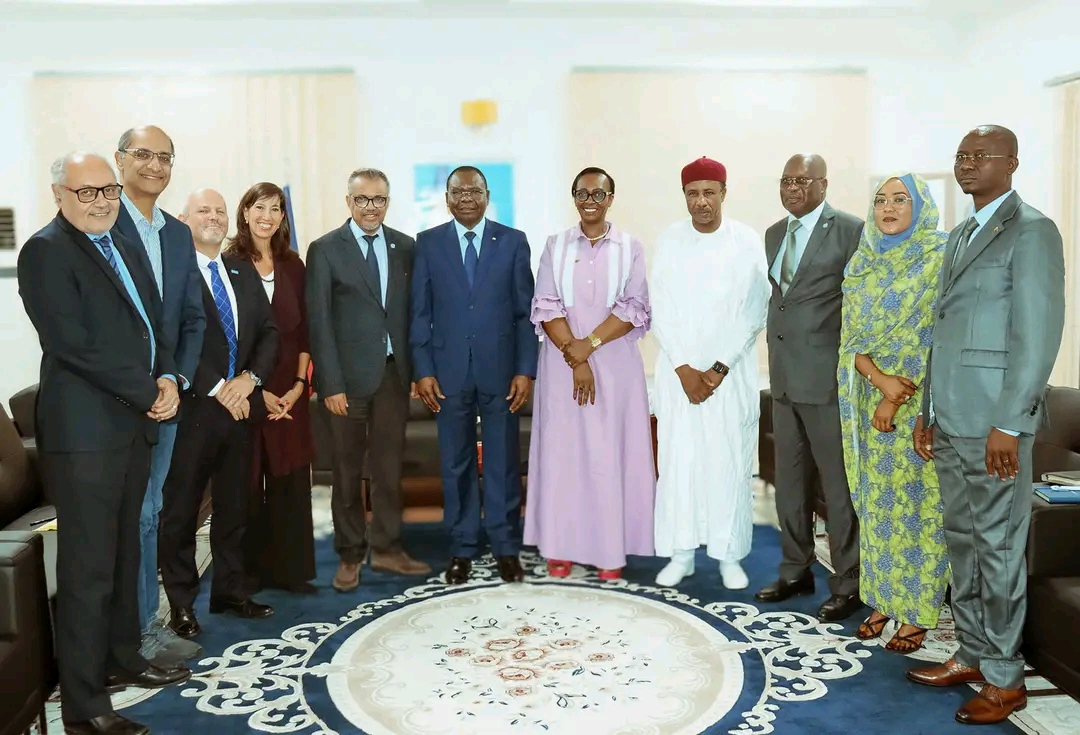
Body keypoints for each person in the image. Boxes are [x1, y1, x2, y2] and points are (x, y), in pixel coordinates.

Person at [18, 152, 190, 735]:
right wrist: (148, 391)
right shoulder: (45, 251)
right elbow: (73, 345)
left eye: (108, 191)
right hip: (86, 436)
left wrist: (169, 378)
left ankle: (121, 659)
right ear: (59, 193)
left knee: (122, 556)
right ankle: (85, 706)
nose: (100, 201)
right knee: (89, 571)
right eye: (86, 192)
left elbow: (154, 324)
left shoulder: (119, 241)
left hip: (133, 426)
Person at [906, 126, 1065, 725]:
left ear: (1013, 164)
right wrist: (928, 413)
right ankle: (972, 653)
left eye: (982, 156)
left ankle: (1005, 677)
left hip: (996, 425)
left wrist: (1010, 422)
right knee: (963, 543)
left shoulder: (1032, 232)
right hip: (951, 418)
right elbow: (942, 334)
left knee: (997, 550)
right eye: (962, 156)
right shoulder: (961, 234)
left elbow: (1037, 334)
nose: (969, 165)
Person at [159, 188, 279, 640]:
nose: (213, 217)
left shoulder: (239, 268)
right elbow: (171, 338)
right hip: (192, 410)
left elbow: (268, 334)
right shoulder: (173, 271)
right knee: (182, 511)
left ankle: (229, 591)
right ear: (183, 218)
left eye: (220, 211)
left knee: (235, 506)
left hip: (242, 408)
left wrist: (249, 380)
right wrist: (217, 387)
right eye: (203, 210)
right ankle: (182, 605)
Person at [524, 167, 655, 580]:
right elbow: (545, 305)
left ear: (611, 198)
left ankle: (610, 551)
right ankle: (560, 547)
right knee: (565, 455)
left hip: (614, 367)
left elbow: (634, 306)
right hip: (564, 367)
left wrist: (590, 347)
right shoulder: (555, 245)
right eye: (582, 193)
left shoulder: (629, 247)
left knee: (608, 454)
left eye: (599, 194)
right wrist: (577, 357)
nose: (590, 201)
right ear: (573, 197)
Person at [410, 165, 538, 585]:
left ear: (487, 196)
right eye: (458, 191)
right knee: (456, 462)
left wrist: (525, 369)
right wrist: (423, 370)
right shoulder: (428, 244)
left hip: (501, 372)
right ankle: (462, 547)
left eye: (475, 191)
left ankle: (505, 548)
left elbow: (525, 314)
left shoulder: (513, 242)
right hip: (447, 374)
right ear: (447, 198)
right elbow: (420, 313)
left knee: (502, 460)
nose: (466, 197)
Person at [837, 173, 949, 654]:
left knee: (919, 508)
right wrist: (878, 382)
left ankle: (918, 609)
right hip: (869, 396)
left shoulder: (939, 257)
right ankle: (883, 597)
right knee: (877, 504)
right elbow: (849, 342)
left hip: (920, 402)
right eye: (881, 199)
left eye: (900, 199)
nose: (888, 207)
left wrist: (896, 394)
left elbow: (938, 336)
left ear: (920, 206)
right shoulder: (863, 261)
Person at [307, 168, 431, 592]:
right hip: (347, 381)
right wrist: (331, 384)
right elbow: (319, 323)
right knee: (345, 472)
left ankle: (388, 548)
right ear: (349, 202)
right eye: (363, 200)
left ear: (388, 202)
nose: (371, 208)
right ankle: (350, 554)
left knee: (388, 468)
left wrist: (416, 371)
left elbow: (413, 315)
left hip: (394, 377)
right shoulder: (324, 250)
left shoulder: (405, 247)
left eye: (379, 199)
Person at [754, 153, 865, 622]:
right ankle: (796, 569)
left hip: (827, 383)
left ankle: (848, 583)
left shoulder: (851, 230)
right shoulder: (775, 234)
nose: (793, 188)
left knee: (837, 490)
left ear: (823, 184)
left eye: (802, 180)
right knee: (789, 486)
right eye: (786, 180)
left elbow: (858, 306)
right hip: (781, 380)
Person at [650, 157, 770, 589]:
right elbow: (659, 308)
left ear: (724, 192)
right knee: (679, 464)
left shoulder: (745, 240)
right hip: (679, 374)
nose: (701, 201)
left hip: (730, 375)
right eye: (692, 193)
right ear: (684, 196)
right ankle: (681, 554)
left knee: (728, 464)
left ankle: (728, 556)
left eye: (709, 192)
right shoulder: (669, 240)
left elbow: (756, 309)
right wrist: (684, 368)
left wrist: (717, 368)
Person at [113, 125, 206, 667]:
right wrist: (143, 386)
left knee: (152, 512)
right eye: (143, 155)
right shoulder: (101, 223)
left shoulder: (175, 233)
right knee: (132, 515)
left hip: (168, 398)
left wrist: (174, 380)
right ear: (120, 160)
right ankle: (130, 634)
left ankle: (148, 627)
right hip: (117, 402)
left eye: (164, 157)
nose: (154, 165)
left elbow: (191, 318)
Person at [222, 182, 318, 596]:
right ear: (244, 213)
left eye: (276, 208)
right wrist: (254, 388)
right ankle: (248, 575)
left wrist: (299, 386)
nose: (267, 215)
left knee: (292, 480)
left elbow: (304, 334)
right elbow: (226, 335)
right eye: (259, 207)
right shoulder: (227, 264)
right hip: (245, 390)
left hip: (290, 390)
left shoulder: (294, 265)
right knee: (246, 485)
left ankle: (292, 571)